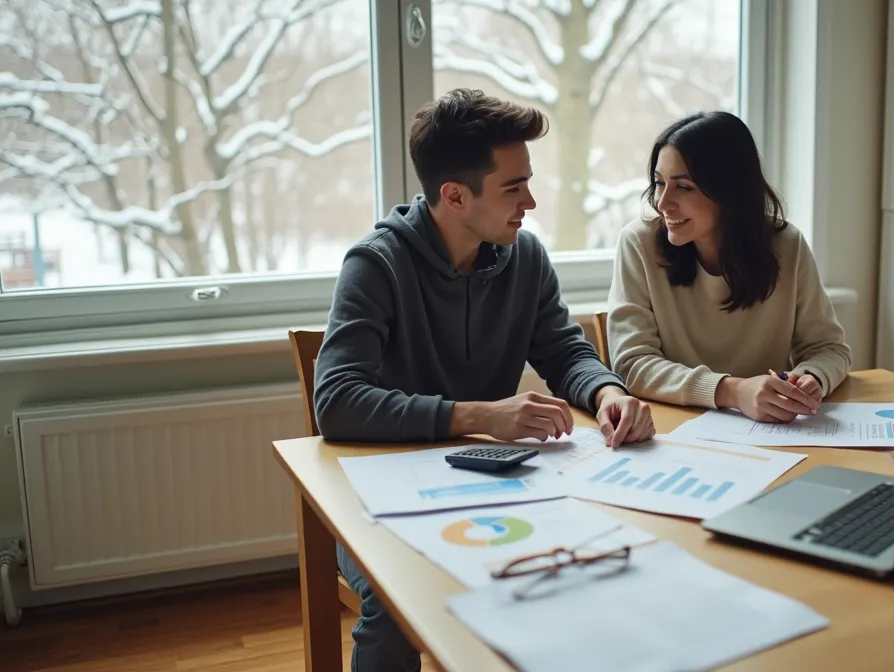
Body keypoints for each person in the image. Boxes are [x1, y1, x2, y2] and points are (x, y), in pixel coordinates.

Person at [313, 88, 655, 671]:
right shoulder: (375, 264)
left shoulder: (524, 258)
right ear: (454, 195)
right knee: (397, 602)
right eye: (513, 187)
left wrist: (608, 391)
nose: (532, 201)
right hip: (377, 494)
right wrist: (480, 415)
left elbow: (564, 349)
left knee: (592, 564)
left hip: (491, 487)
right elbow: (337, 401)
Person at [607, 111, 851, 423]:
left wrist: (811, 378)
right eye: (659, 183)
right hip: (669, 431)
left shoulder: (787, 246)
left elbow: (829, 348)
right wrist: (733, 391)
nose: (662, 202)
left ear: (729, 190)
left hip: (768, 433)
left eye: (683, 187)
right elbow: (632, 365)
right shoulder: (639, 245)